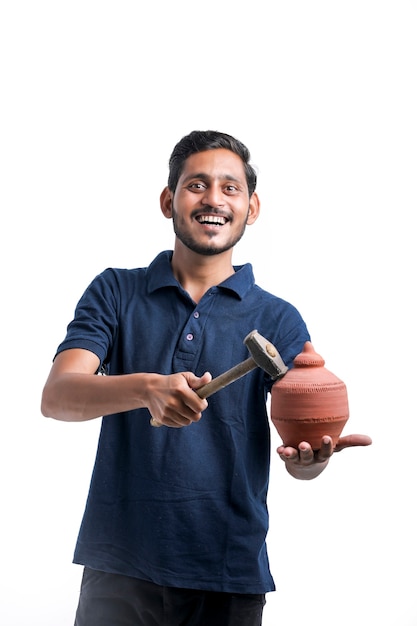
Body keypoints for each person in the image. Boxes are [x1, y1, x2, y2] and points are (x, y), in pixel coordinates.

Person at [41, 130, 371, 626]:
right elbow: (58, 396)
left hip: (228, 569)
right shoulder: (115, 291)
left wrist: (310, 460)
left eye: (230, 188)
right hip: (120, 562)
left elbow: (297, 456)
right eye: (196, 185)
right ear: (168, 200)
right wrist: (147, 388)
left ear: (251, 207)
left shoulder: (279, 319)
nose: (213, 198)